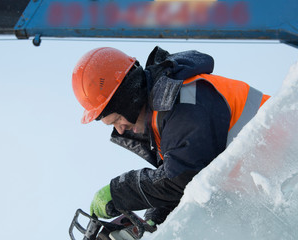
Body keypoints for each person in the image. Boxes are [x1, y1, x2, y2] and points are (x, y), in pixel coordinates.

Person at [71, 46, 270, 227]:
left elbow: (183, 176)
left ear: (127, 100)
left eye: (116, 120)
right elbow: (182, 178)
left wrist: (119, 192)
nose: (120, 130)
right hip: (269, 182)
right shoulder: (164, 116)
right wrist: (154, 221)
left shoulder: (184, 101)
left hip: (285, 159)